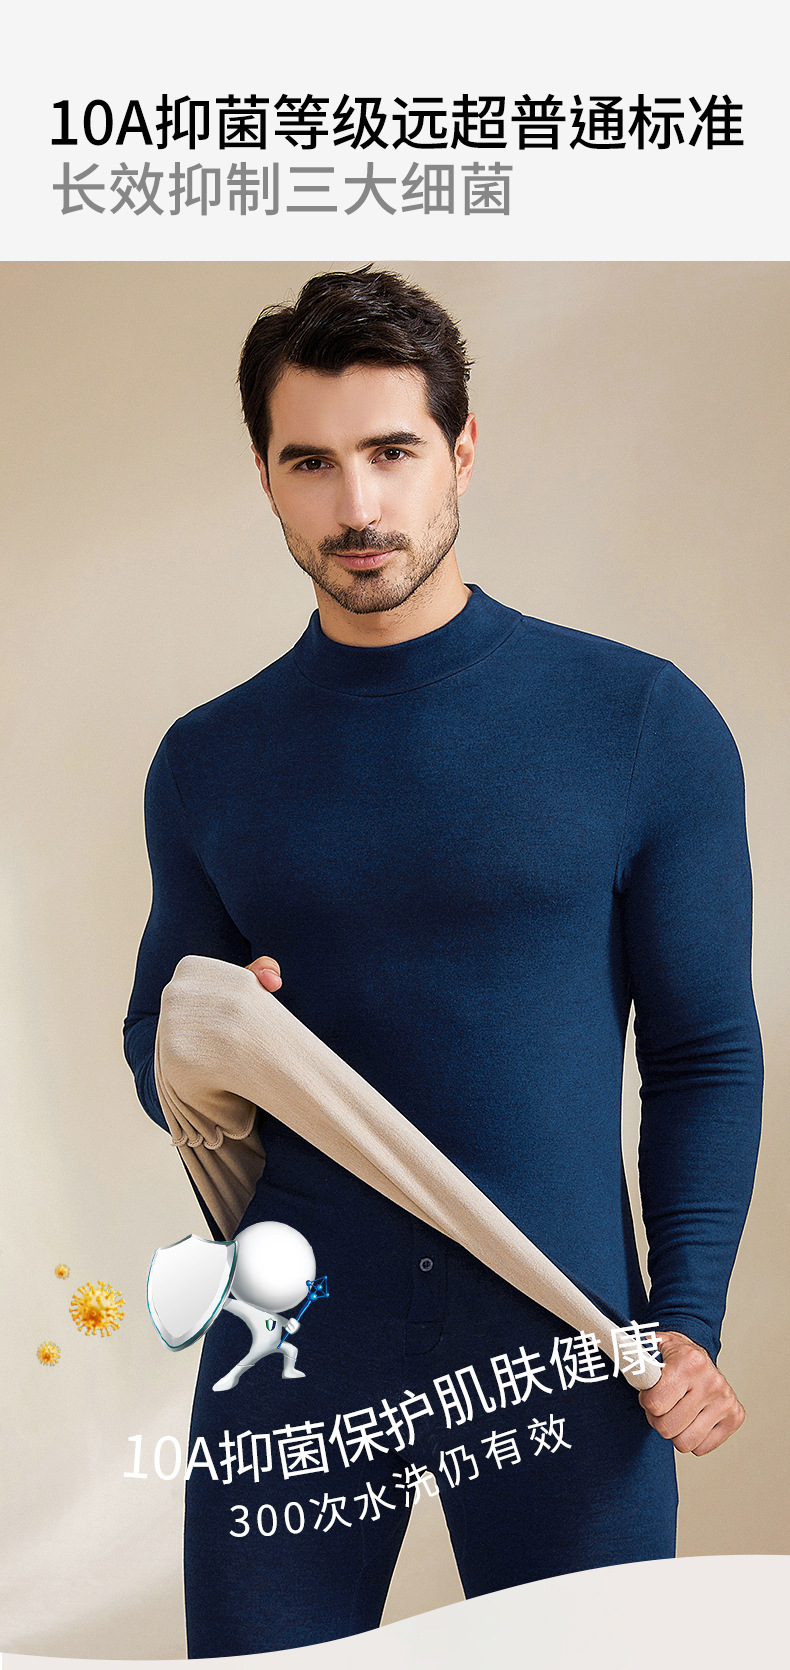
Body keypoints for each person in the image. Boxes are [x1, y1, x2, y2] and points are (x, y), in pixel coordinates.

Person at [124, 268, 762, 1657]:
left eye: (392, 450)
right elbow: (154, 1042)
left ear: (461, 450)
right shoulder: (210, 760)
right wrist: (216, 1030)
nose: (358, 505)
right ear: (264, 476)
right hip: (294, 1346)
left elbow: (704, 1050)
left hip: (560, 1341)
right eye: (311, 462)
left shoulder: (635, 720)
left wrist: (685, 1315)